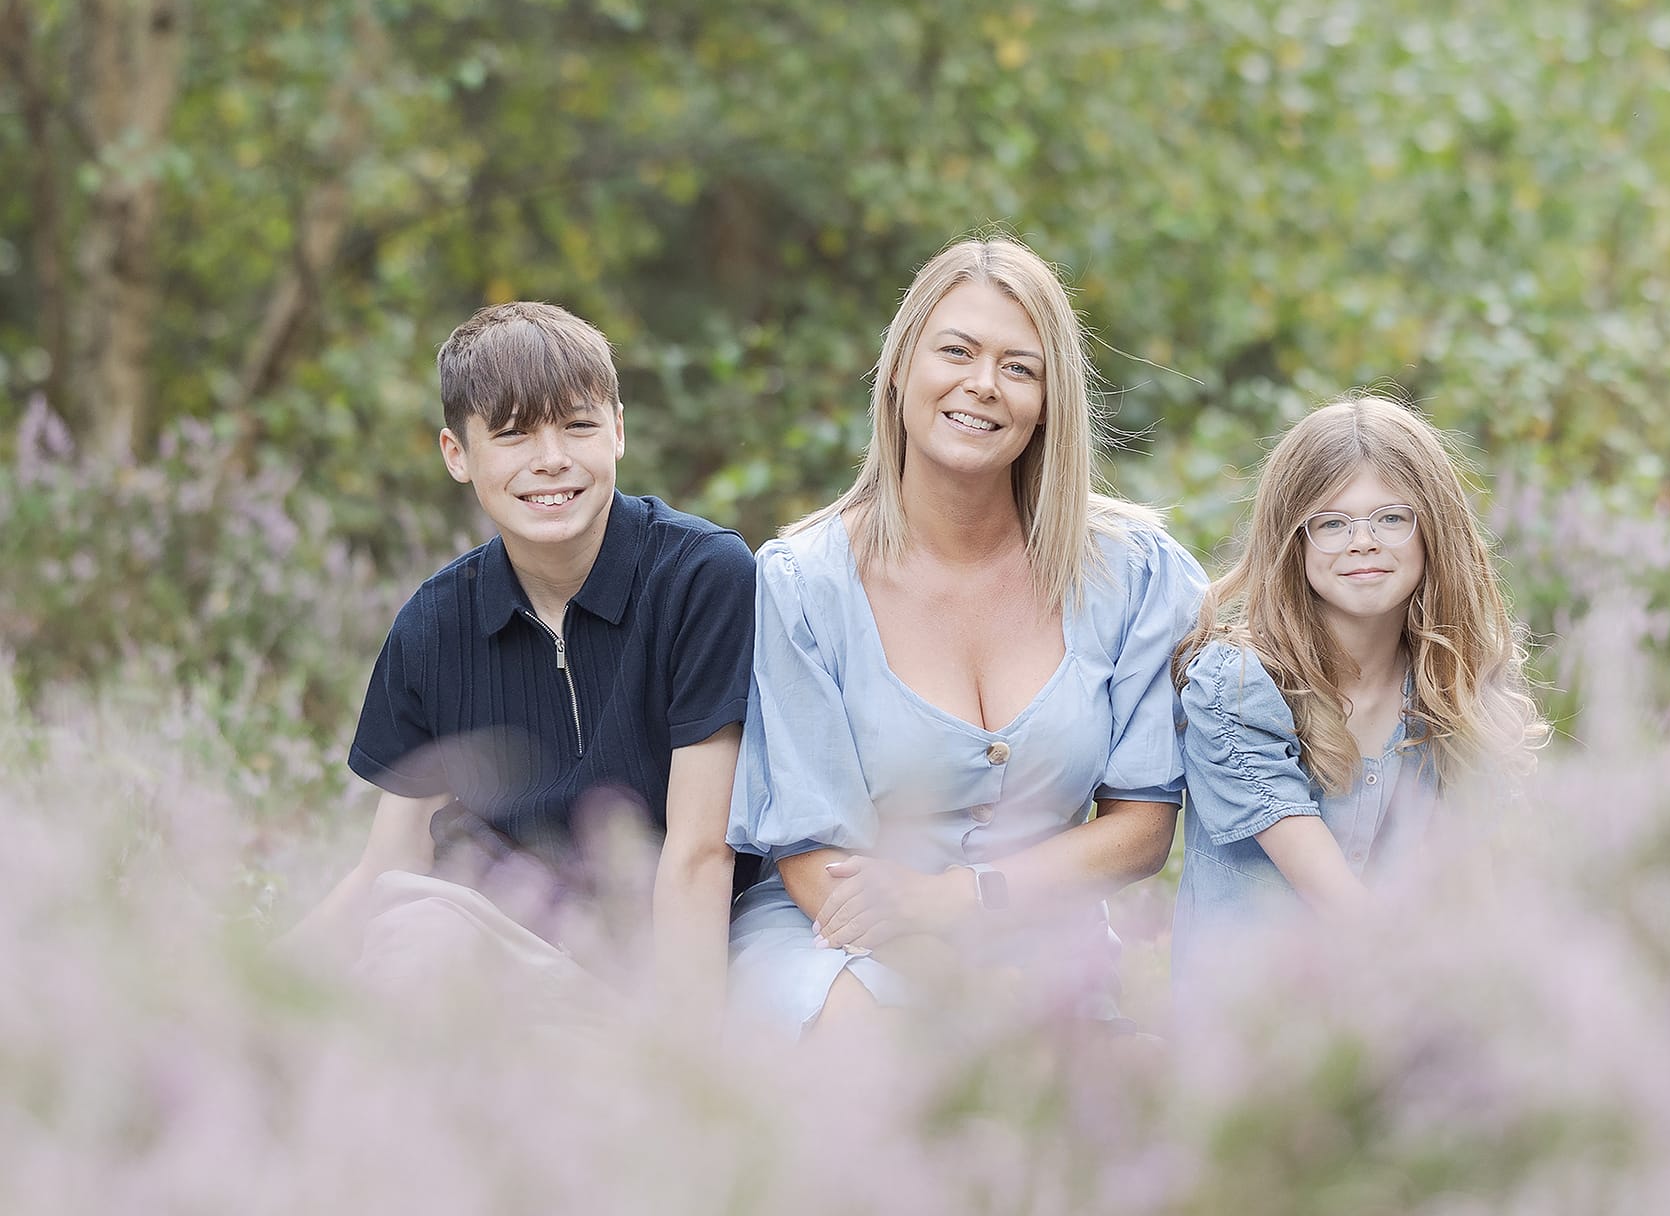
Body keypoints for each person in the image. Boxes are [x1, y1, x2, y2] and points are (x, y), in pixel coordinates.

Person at [726, 235, 1207, 1035]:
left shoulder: (1131, 573)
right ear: (903, 367)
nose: (982, 385)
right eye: (956, 351)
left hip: (1039, 945)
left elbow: (1142, 831)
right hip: (837, 943)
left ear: (1049, 401)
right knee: (875, 1046)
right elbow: (811, 860)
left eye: (1019, 367)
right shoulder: (805, 583)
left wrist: (966, 903)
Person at [287, 302, 755, 1011]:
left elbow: (700, 854)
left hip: (681, 965)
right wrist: (247, 992)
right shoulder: (434, 627)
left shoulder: (700, 578)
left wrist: (681, 1071)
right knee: (416, 933)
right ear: (457, 454)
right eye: (512, 434)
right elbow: (391, 862)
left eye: (578, 424)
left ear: (619, 431)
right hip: (515, 964)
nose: (552, 459)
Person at [1173, 395, 1544, 955]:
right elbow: (1340, 908)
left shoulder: (1451, 687)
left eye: (1391, 518)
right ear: (1292, 541)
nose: (1362, 541)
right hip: (1259, 1026)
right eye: (1331, 522)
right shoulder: (1238, 686)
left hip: (1394, 1016)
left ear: (1433, 533)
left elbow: (1475, 887)